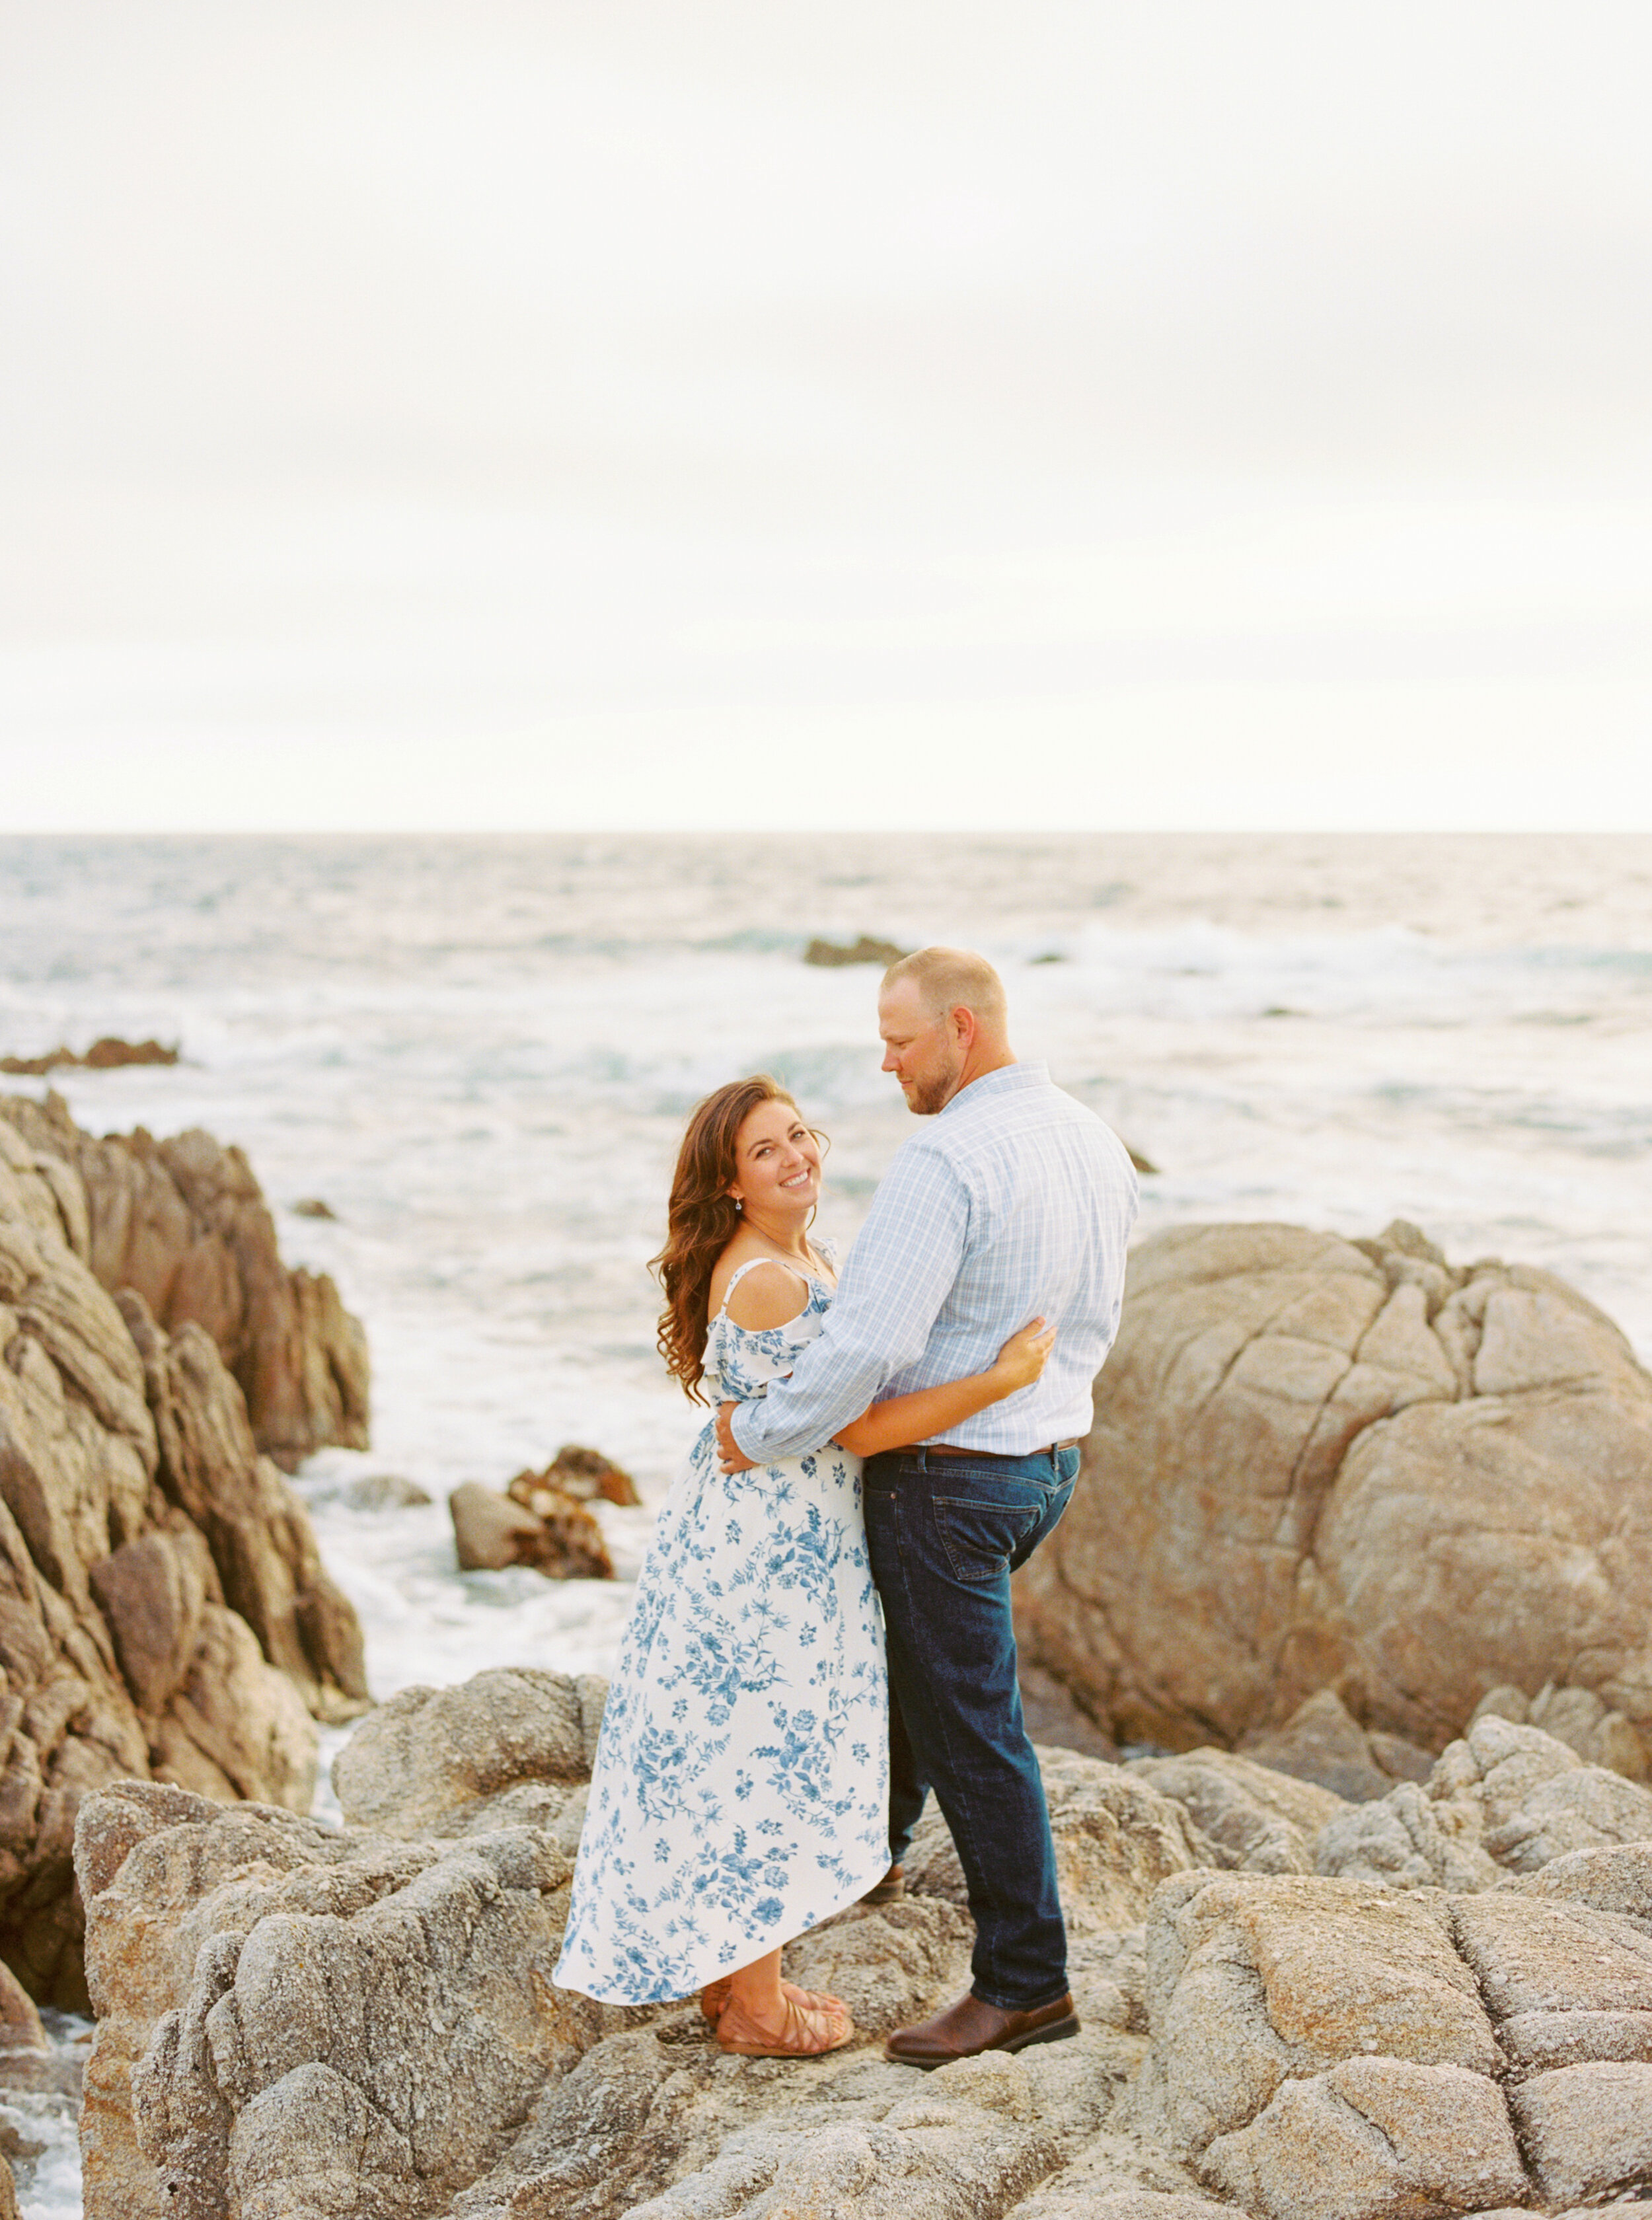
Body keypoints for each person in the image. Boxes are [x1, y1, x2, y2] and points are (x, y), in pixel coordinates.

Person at [553, 1074, 1055, 2059]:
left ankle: (732, 1984)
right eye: (767, 1153)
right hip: (769, 1554)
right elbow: (861, 1428)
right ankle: (755, 2007)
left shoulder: (794, 1254)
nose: (798, 1159)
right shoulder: (772, 1278)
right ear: (732, 1185)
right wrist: (1002, 1379)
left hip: (761, 1526)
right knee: (764, 1762)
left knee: (743, 1748)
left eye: (801, 1136)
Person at [716, 947, 1137, 2067]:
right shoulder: (1092, 1137)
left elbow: (870, 1345)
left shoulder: (945, 1157)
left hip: (949, 1477)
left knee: (972, 1722)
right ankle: (875, 1853)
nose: (886, 1061)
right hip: (1047, 1462)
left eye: (900, 1040)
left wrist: (753, 1432)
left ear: (962, 1026)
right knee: (911, 1661)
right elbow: (1094, 1315)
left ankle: (1025, 1985)